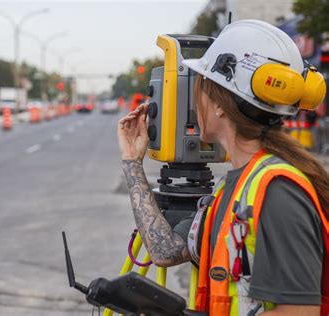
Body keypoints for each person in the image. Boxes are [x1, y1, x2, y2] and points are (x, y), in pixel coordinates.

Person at [117, 20, 328, 316]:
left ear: (218, 102)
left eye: (200, 86)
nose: (194, 99)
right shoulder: (236, 187)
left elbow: (298, 312)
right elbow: (166, 250)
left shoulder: (278, 194)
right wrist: (131, 162)